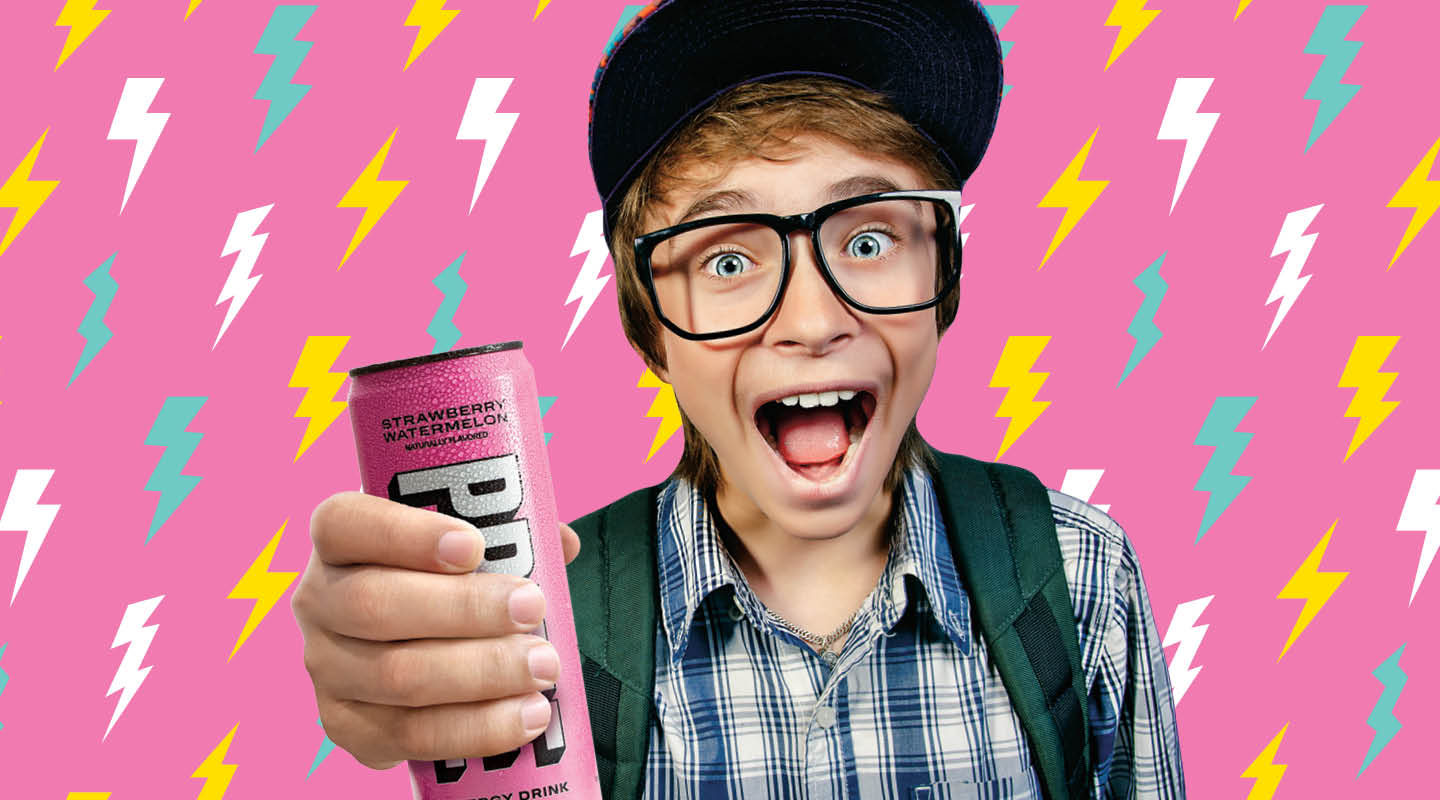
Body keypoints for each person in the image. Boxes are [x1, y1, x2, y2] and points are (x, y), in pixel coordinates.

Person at [291, 1, 1186, 797]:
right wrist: (396, 684)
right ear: (651, 330)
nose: (811, 317)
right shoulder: (547, 622)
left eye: (869, 239)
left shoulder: (1078, 573)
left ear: (944, 272)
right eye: (727, 260)